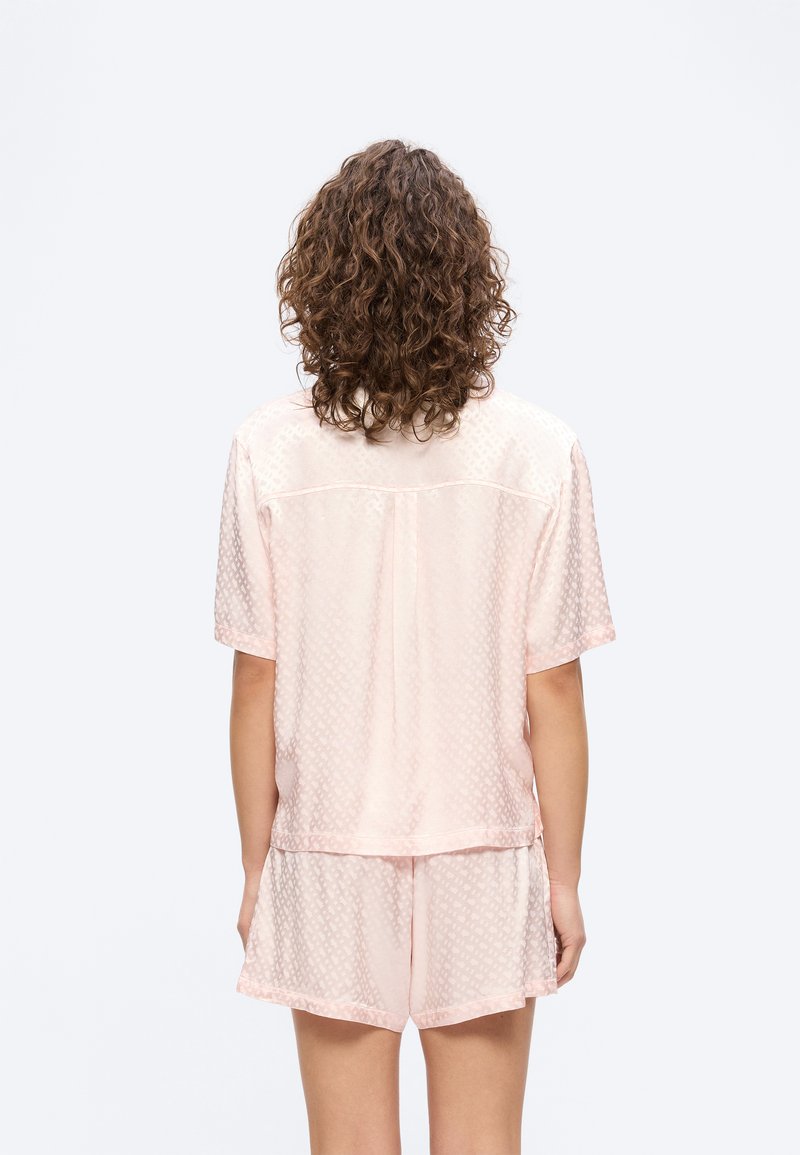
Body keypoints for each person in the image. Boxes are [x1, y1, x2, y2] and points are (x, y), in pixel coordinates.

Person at [213, 139, 616, 1155]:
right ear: (468, 284)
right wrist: (563, 880)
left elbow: (256, 676)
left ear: (320, 284)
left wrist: (259, 867)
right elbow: (555, 688)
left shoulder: (268, 450)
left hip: (328, 846)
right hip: (484, 843)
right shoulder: (538, 451)